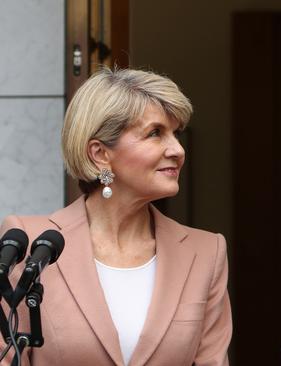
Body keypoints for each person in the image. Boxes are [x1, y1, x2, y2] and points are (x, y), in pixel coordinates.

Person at [0, 68, 231, 365]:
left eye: (176, 133)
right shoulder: (31, 243)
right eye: (155, 133)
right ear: (100, 154)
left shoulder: (206, 253)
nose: (178, 150)